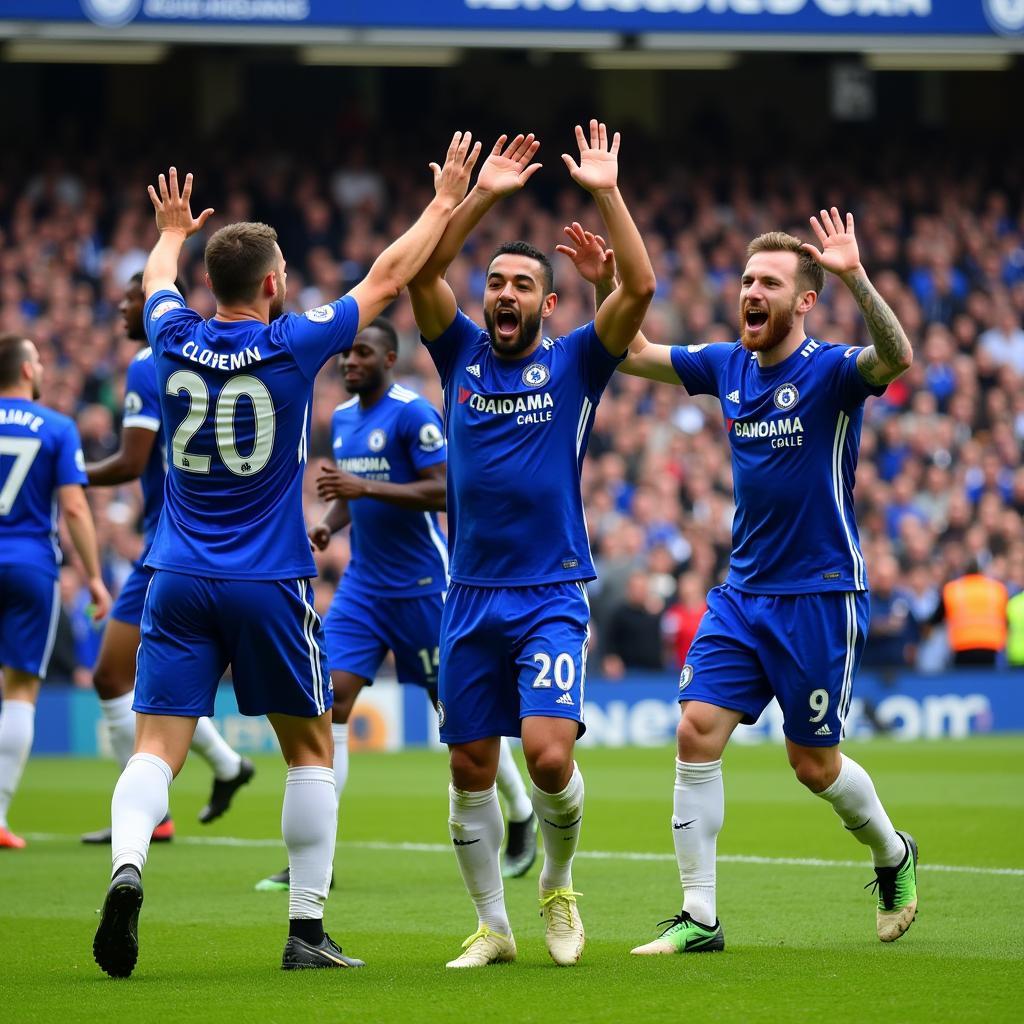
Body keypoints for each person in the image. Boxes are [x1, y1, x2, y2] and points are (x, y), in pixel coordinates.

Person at [92, 136, 480, 977]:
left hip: (177, 575)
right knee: (311, 750)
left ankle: (128, 870)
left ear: (210, 284)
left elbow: (159, 282)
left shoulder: (171, 336)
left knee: (156, 745)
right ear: (272, 284)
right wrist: (445, 201)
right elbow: (385, 275)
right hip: (268, 579)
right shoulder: (296, 342)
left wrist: (169, 231)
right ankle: (306, 931)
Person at [574, 208, 918, 953]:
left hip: (819, 594)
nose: (750, 292)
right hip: (742, 593)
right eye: (746, 281)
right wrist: (606, 282)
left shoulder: (830, 372)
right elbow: (630, 351)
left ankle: (893, 852)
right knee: (696, 732)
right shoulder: (726, 363)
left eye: (769, 282)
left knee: (812, 764)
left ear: (804, 300)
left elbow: (897, 358)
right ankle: (700, 917)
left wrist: (857, 275)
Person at [407, 123, 656, 968]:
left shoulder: (580, 362)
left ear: (551, 304)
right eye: (497, 283)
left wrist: (607, 194)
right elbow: (423, 271)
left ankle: (557, 885)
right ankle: (492, 926)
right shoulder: (458, 356)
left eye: (524, 285)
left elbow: (643, 287)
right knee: (471, 765)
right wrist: (479, 198)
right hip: (469, 593)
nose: (506, 293)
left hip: (551, 591)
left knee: (549, 757)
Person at [254, 319, 537, 892]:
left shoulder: (412, 413)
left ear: (388, 359)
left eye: (360, 353)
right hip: (363, 587)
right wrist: (329, 524)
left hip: (424, 587)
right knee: (328, 703)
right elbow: (351, 498)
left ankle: (522, 811)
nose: (348, 362)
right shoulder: (343, 420)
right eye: (346, 354)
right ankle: (319, 855)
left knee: (462, 717)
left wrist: (363, 491)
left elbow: (443, 489)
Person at [81, 273, 253, 846]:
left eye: (131, 299)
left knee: (112, 674)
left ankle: (149, 812)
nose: (124, 310)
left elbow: (131, 460)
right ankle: (224, 767)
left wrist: (68, 474)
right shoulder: (198, 351)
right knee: (140, 681)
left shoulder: (147, 361)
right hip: (185, 540)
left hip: (168, 544)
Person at [0, 332, 112, 848]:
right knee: (20, 691)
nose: (43, 367)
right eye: (39, 359)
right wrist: (92, 576)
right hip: (28, 567)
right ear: (26, 370)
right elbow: (72, 509)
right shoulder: (57, 427)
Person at [931, 561, 1008, 667]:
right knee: (988, 680)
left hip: (962, 645)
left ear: (964, 572)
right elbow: (1006, 615)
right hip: (990, 644)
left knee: (965, 680)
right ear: (982, 572)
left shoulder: (952, 589)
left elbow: (936, 618)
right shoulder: (997, 589)